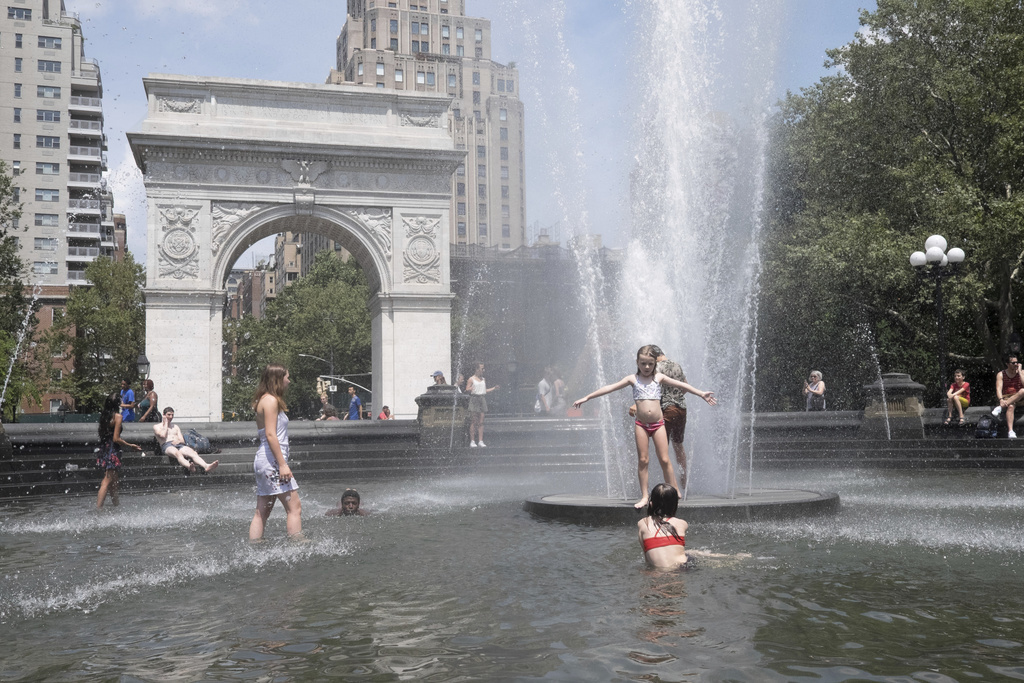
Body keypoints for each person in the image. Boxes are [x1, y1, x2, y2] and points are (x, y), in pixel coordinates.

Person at [573, 345, 717, 508]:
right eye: (643, 364)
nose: (647, 367)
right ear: (637, 363)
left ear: (654, 363)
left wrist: (701, 394)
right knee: (643, 460)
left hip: (658, 424)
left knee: (664, 458)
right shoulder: (632, 379)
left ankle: (675, 489)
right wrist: (587, 397)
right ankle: (644, 496)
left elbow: (683, 385)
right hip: (641, 425)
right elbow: (609, 388)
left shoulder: (659, 378)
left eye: (650, 364)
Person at [249, 364, 302, 540]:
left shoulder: (264, 400)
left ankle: (254, 546)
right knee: (294, 508)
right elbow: (271, 435)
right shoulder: (270, 401)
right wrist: (282, 464)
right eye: (287, 377)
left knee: (262, 511)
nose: (289, 380)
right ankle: (298, 544)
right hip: (272, 462)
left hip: (265, 460)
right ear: (278, 379)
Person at [630, 346, 692, 491]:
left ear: (655, 357)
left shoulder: (657, 368)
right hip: (681, 410)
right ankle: (683, 482)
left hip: (666, 411)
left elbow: (651, 390)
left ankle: (670, 488)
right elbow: (685, 386)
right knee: (678, 446)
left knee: (663, 454)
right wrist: (676, 397)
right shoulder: (676, 365)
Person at [96, 391, 142, 509]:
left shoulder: (105, 416)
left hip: (105, 448)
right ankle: (98, 509)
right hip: (113, 450)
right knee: (107, 480)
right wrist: (130, 445)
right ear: (118, 404)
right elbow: (116, 438)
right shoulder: (118, 417)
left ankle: (116, 505)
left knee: (114, 482)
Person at [153, 406, 219, 473]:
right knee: (177, 454)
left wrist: (178, 441)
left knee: (193, 453)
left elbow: (182, 440)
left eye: (172, 415)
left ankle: (206, 466)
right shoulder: (157, 426)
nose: (171, 417)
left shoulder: (175, 427)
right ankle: (189, 466)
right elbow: (163, 435)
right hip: (167, 445)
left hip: (179, 445)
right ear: (163, 415)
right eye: (169, 415)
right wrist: (166, 423)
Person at [638, 483, 689, 569]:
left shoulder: (642, 523)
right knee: (688, 555)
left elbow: (647, 559)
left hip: (657, 572)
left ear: (651, 504)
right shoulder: (682, 523)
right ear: (675, 505)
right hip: (681, 569)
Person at [466, 362, 500, 447]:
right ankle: (472, 441)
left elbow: (484, 390)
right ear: (477, 369)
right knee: (473, 421)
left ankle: (480, 441)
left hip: (482, 399)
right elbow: (467, 389)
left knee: (481, 421)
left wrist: (494, 388)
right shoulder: (471, 379)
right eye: (482, 368)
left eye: (483, 368)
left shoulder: (483, 379)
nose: (483, 370)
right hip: (474, 399)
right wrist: (472, 388)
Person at [993, 355, 1024, 438]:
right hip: (1009, 398)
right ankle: (1010, 431)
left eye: (1017, 362)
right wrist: (1000, 399)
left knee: (1022, 391)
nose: (1016, 364)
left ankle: (1000, 407)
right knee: (1010, 406)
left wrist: (1020, 372)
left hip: (1021, 397)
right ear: (1007, 364)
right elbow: (998, 389)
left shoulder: (1022, 372)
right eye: (1013, 363)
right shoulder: (1001, 374)